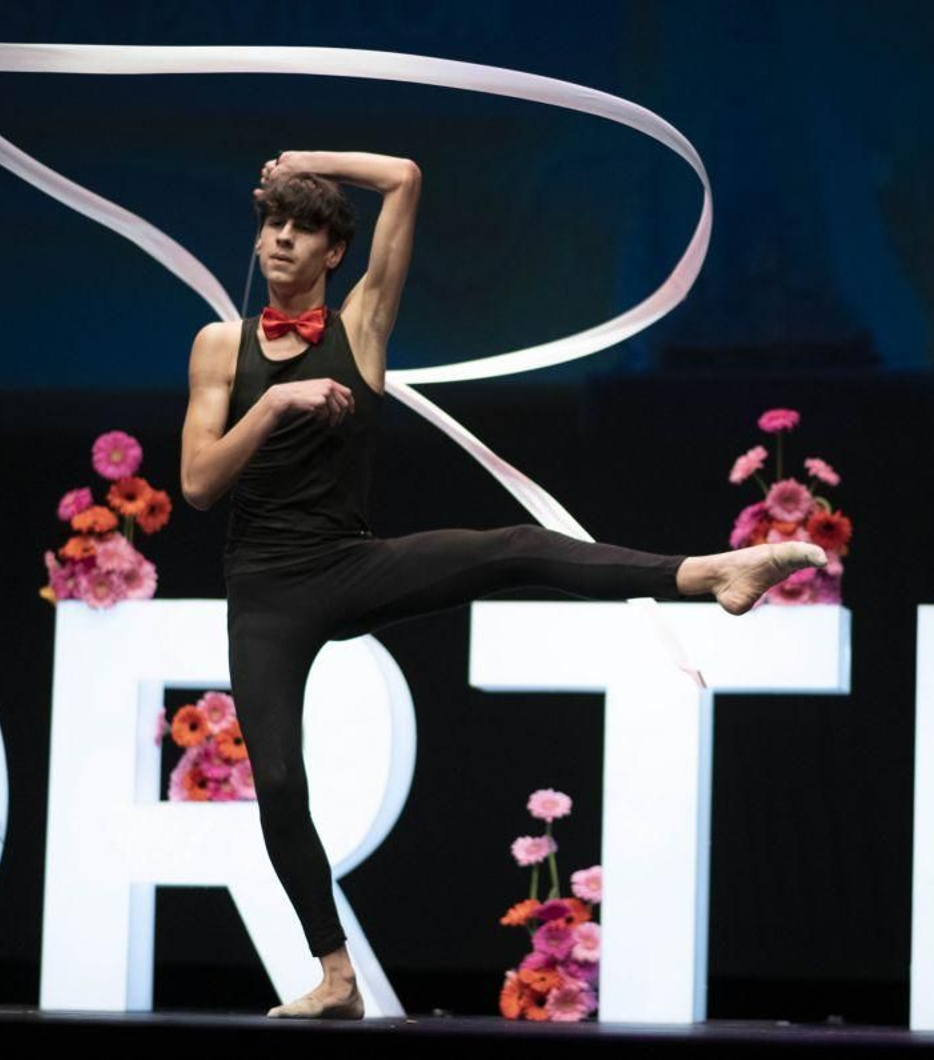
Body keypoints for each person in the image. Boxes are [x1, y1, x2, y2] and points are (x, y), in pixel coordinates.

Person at [178, 150, 826, 1019]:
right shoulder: (220, 347)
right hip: (264, 588)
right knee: (283, 780)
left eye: (301, 229)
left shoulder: (363, 323)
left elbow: (406, 176)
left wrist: (306, 163)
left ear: (336, 253)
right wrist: (276, 405)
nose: (280, 239)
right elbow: (196, 484)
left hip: (348, 561)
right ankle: (335, 977)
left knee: (514, 545)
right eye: (272, 224)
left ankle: (708, 574)